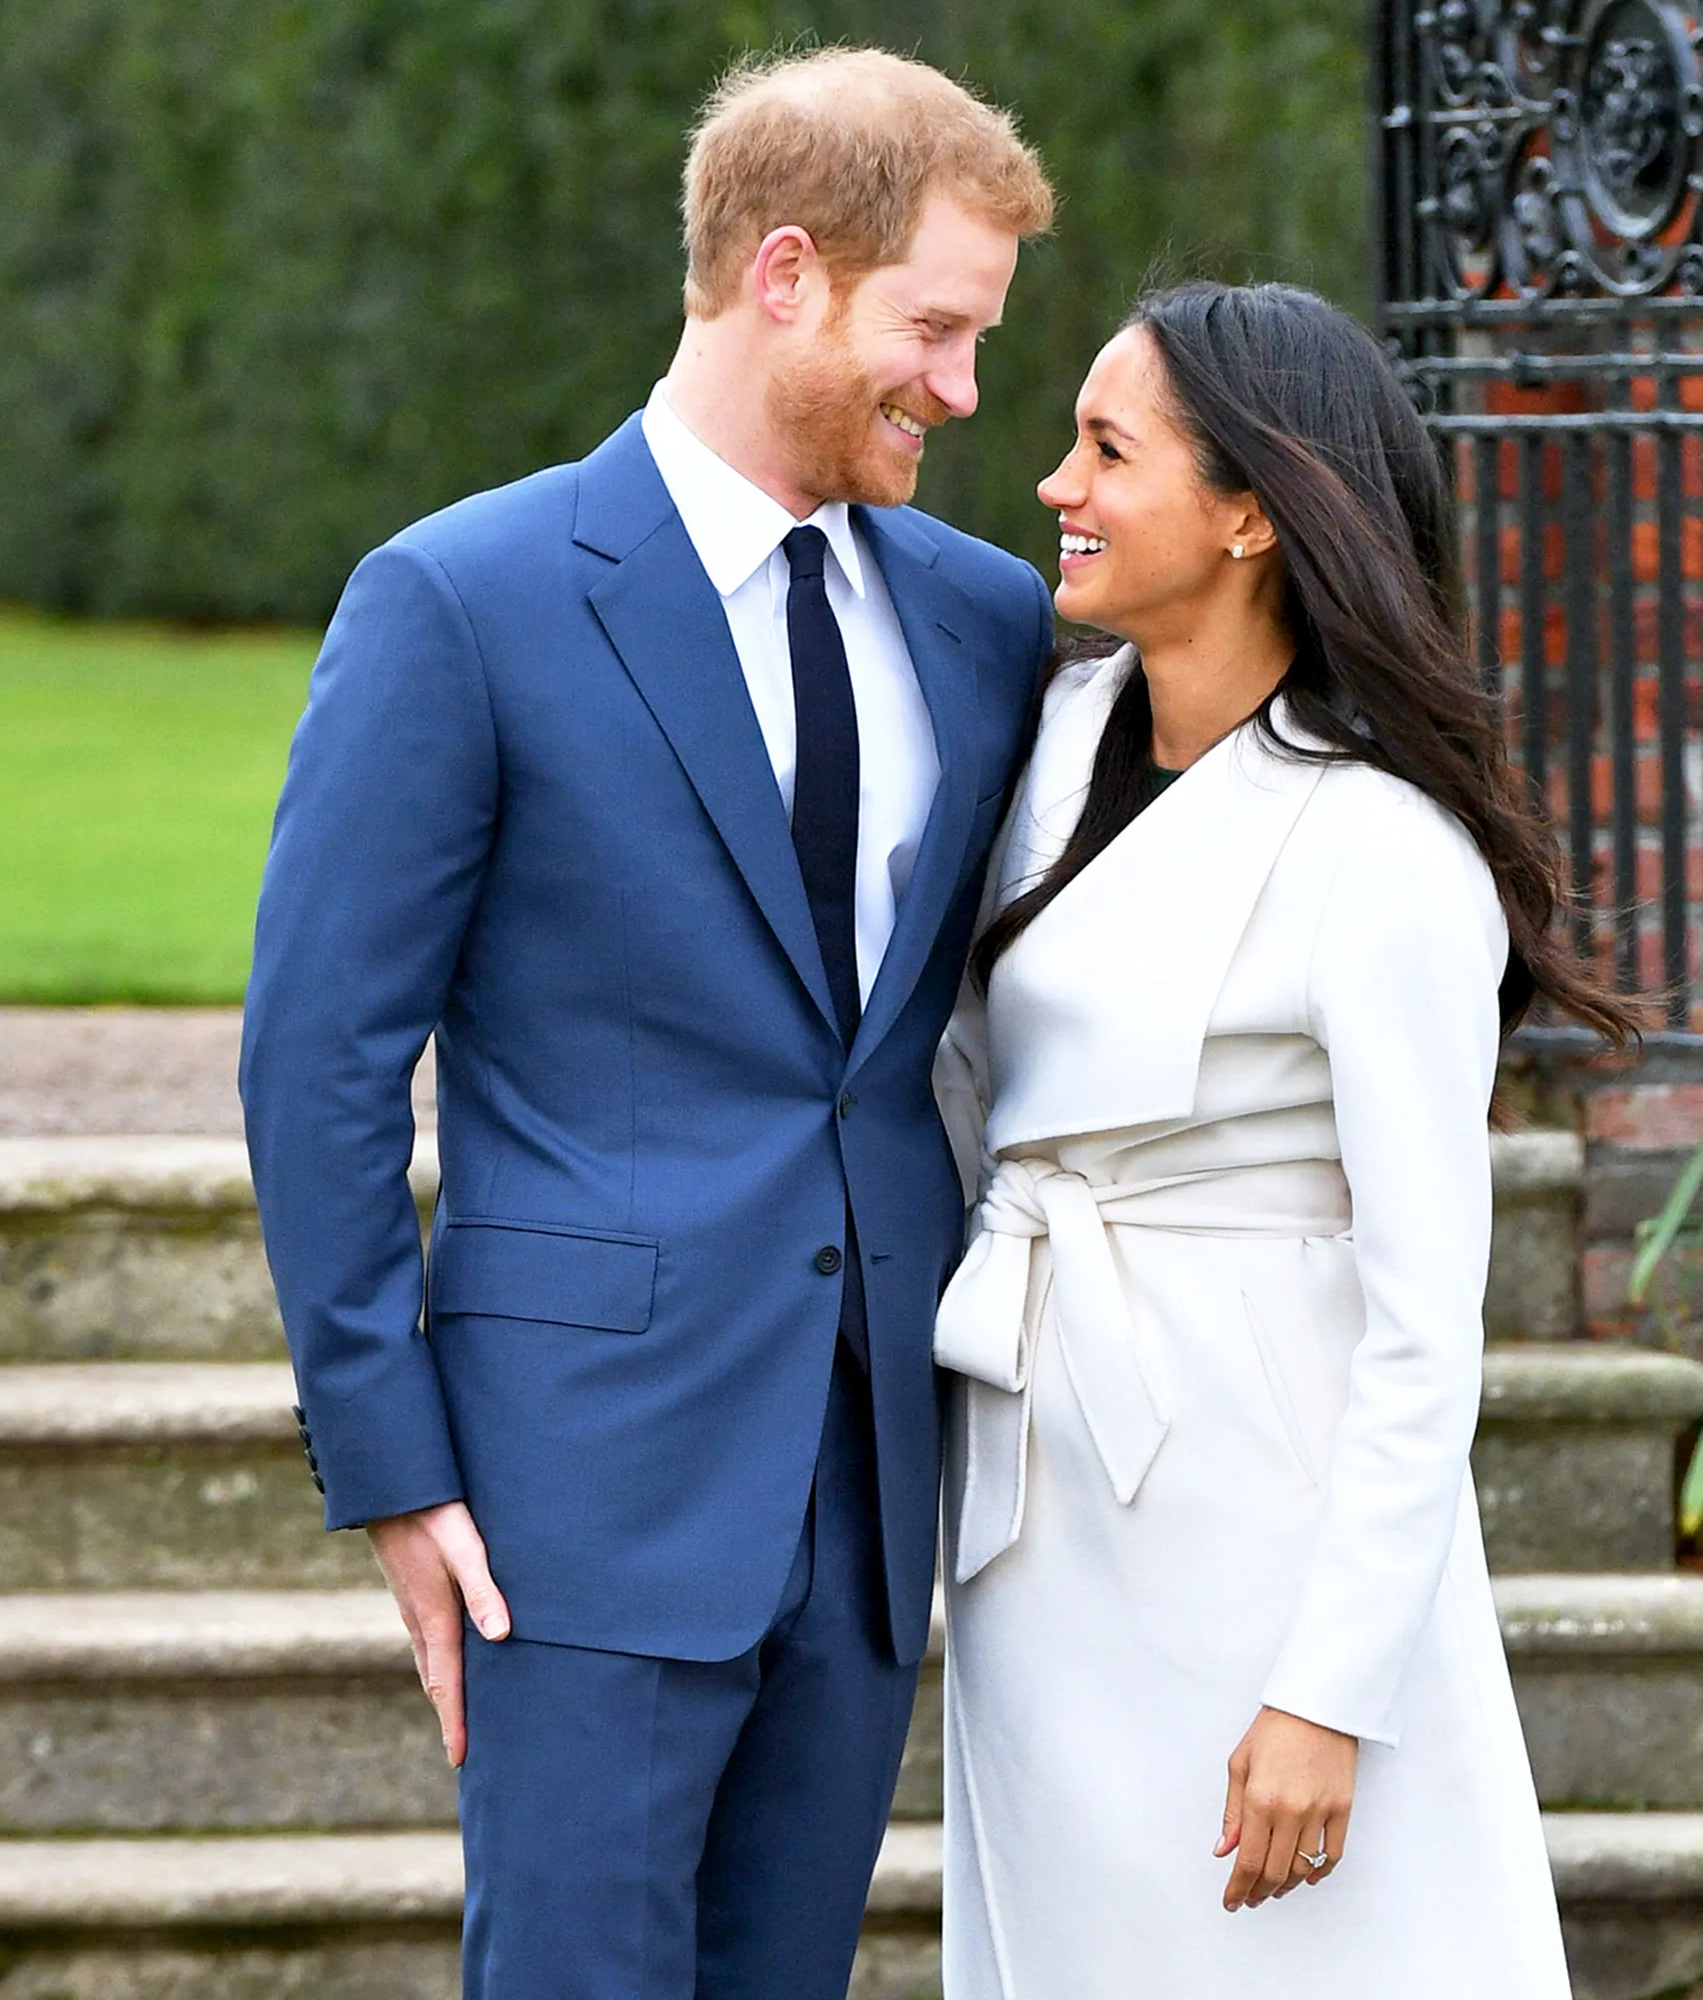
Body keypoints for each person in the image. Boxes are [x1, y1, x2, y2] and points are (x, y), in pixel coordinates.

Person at [239, 48, 1053, 2000]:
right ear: (785, 274)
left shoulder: (986, 619)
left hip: (872, 1475)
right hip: (576, 1489)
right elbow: (320, 1060)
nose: (961, 389)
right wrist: (395, 1468)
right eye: (933, 329)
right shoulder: (461, 598)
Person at [931, 282, 1645, 1997]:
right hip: (1038, 1489)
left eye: (1108, 450)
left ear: (1252, 512)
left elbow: (1424, 1324)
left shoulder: (1383, 851)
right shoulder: (1048, 738)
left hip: (1268, 1519)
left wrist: (1330, 1691)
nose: (1056, 485)